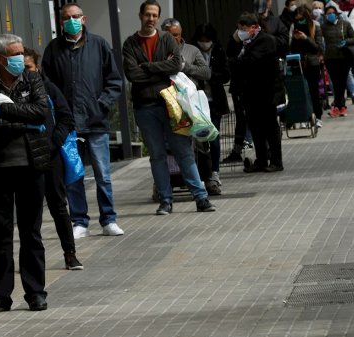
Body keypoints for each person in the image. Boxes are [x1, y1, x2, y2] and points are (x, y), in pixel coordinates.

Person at [0, 34, 50, 315]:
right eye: (15, 54)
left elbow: (41, 112)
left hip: (32, 166)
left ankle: (36, 292)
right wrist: (25, 125)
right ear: (0, 58)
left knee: (31, 232)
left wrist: (4, 108)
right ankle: (1, 295)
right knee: (0, 235)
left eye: (21, 53)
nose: (20, 58)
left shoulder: (32, 80)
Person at [123, 0, 216, 215]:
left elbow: (176, 65)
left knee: (184, 152)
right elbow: (132, 74)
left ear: (158, 17)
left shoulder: (166, 39)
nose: (151, 19)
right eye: (148, 15)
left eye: (155, 15)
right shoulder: (130, 43)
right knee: (156, 155)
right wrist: (159, 70)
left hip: (172, 106)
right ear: (140, 16)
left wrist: (147, 67)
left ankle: (200, 197)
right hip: (145, 107)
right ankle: (165, 200)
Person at [42, 3, 124, 239]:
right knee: (74, 174)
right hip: (68, 125)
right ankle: (79, 221)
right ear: (61, 22)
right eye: (67, 17)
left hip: (96, 122)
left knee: (103, 174)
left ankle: (109, 219)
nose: (72, 20)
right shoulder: (53, 49)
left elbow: (114, 80)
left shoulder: (98, 45)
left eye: (76, 16)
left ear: (84, 18)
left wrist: (102, 104)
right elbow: (47, 85)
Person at [23, 47, 84, 271]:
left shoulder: (48, 88)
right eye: (20, 69)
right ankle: (31, 259)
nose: (25, 73)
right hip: (25, 158)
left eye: (28, 68)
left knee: (58, 205)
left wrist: (53, 143)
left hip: (50, 156)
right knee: (31, 210)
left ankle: (70, 254)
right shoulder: (13, 91)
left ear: (37, 67)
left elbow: (66, 118)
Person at [161, 18, 218, 195]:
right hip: (167, 102)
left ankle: (208, 179)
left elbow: (206, 72)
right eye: (169, 35)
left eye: (176, 35)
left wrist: (185, 67)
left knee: (201, 142)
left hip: (190, 103)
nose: (173, 39)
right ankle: (167, 184)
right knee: (167, 145)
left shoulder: (192, 50)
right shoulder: (157, 51)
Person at [227, 12, 284, 173]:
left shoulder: (265, 40)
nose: (240, 31)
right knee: (255, 127)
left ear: (254, 27)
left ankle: (276, 160)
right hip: (249, 92)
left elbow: (252, 63)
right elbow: (230, 53)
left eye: (243, 28)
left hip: (266, 91)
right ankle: (261, 160)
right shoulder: (244, 41)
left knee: (270, 127)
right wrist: (235, 39)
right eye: (239, 28)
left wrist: (234, 63)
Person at [192, 23, 231, 195]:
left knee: (214, 137)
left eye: (207, 40)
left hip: (214, 99)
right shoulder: (193, 51)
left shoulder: (218, 51)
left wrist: (210, 75)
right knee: (200, 139)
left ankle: (215, 171)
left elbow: (225, 74)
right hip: (198, 100)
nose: (205, 43)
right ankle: (203, 173)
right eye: (201, 40)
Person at [289, 5, 326, 127]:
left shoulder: (315, 26)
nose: (300, 22)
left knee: (313, 91)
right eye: (297, 19)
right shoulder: (293, 27)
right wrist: (295, 39)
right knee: (300, 91)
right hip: (297, 62)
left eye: (302, 19)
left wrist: (306, 38)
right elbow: (290, 48)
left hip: (312, 63)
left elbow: (319, 48)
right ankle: (303, 116)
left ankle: (317, 116)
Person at [322, 2, 354, 117]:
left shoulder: (345, 24)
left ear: (337, 14)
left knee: (342, 82)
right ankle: (339, 106)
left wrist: (346, 42)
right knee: (335, 82)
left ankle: (339, 106)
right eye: (328, 14)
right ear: (325, 16)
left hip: (344, 58)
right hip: (330, 58)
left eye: (332, 13)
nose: (331, 15)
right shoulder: (323, 26)